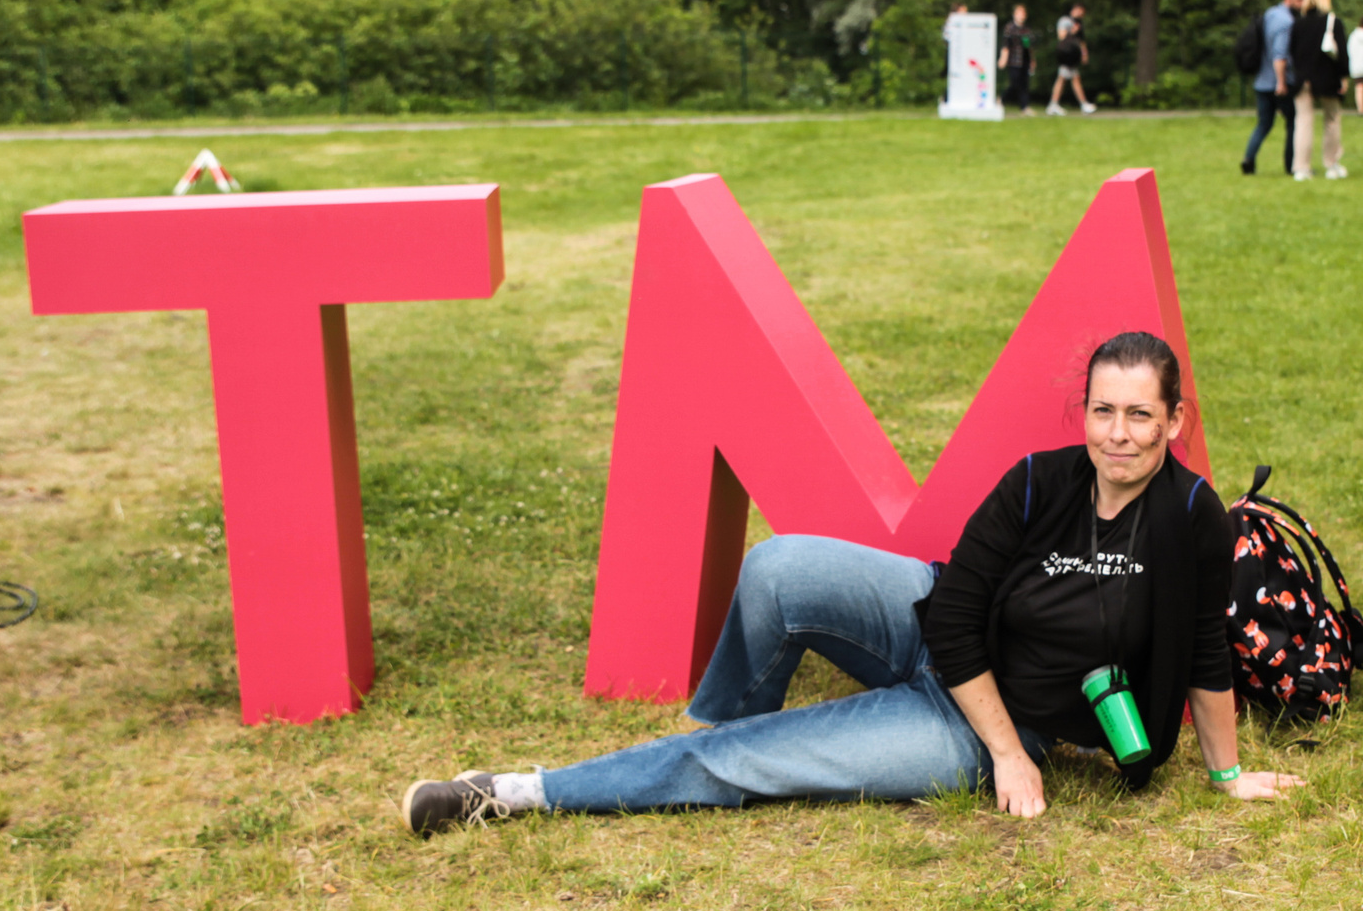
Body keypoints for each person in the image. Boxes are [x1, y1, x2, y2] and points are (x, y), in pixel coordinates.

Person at [400, 333, 1302, 832]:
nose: (1117, 432)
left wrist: (1224, 775)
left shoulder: (1190, 516)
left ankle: (515, 791)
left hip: (974, 719)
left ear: (1174, 419)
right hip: (939, 639)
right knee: (776, 565)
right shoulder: (1038, 479)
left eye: (1140, 414)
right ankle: (719, 719)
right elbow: (951, 617)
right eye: (1103, 409)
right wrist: (1011, 756)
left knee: (751, 770)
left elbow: (1202, 648)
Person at [1240, 0, 1303, 175]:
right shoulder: (1286, 22)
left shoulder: (1270, 14)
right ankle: (1290, 165)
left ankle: (1248, 159)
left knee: (1264, 124)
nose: (1302, 4)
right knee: (1293, 123)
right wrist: (1282, 82)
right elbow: (1279, 55)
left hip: (1262, 81)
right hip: (1279, 82)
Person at [1291, 0, 1349, 179]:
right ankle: (1331, 165)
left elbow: (1292, 52)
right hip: (1327, 79)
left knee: (1303, 122)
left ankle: (1301, 168)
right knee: (1332, 120)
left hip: (1302, 80)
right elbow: (1342, 54)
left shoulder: (1298, 24)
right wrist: (1344, 77)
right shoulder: (1334, 23)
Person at [1048, 7, 1096, 116]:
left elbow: (1081, 42)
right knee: (1072, 79)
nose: (1080, 13)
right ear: (1073, 9)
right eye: (1078, 10)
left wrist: (1084, 54)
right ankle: (1083, 104)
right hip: (1065, 54)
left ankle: (1053, 104)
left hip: (1073, 55)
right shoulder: (1065, 21)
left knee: (1064, 79)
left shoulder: (1079, 24)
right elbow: (1061, 36)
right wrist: (1072, 31)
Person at [998, 4, 1035, 113]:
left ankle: (1024, 106)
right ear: (1014, 14)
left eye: (1023, 13)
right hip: (1014, 60)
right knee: (1014, 83)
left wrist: (1032, 61)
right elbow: (1006, 45)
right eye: (1019, 13)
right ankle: (1001, 100)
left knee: (1024, 84)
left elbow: (1029, 47)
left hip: (1025, 60)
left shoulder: (1027, 30)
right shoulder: (1009, 28)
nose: (1022, 15)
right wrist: (1003, 58)